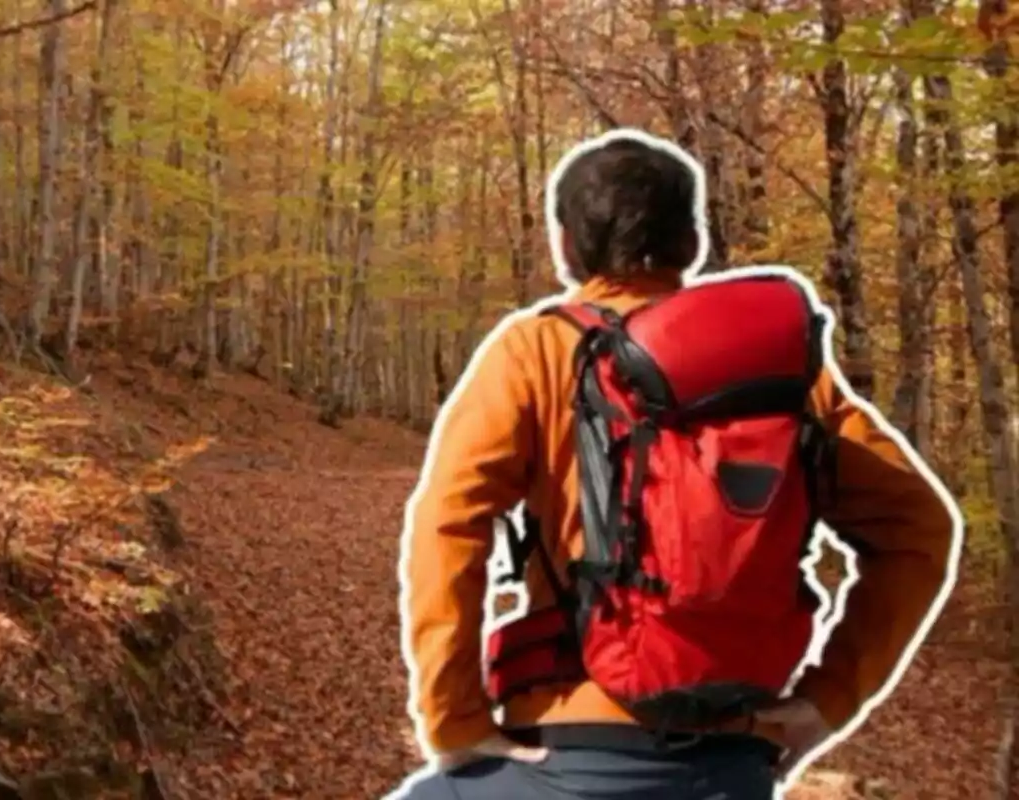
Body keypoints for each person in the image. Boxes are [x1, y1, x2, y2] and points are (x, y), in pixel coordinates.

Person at [389, 128, 961, 800]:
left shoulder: (536, 351)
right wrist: (828, 699)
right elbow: (922, 528)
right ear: (691, 242)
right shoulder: (778, 371)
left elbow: (449, 522)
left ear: (569, 243)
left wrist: (454, 718)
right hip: (734, 760)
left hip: (567, 735)